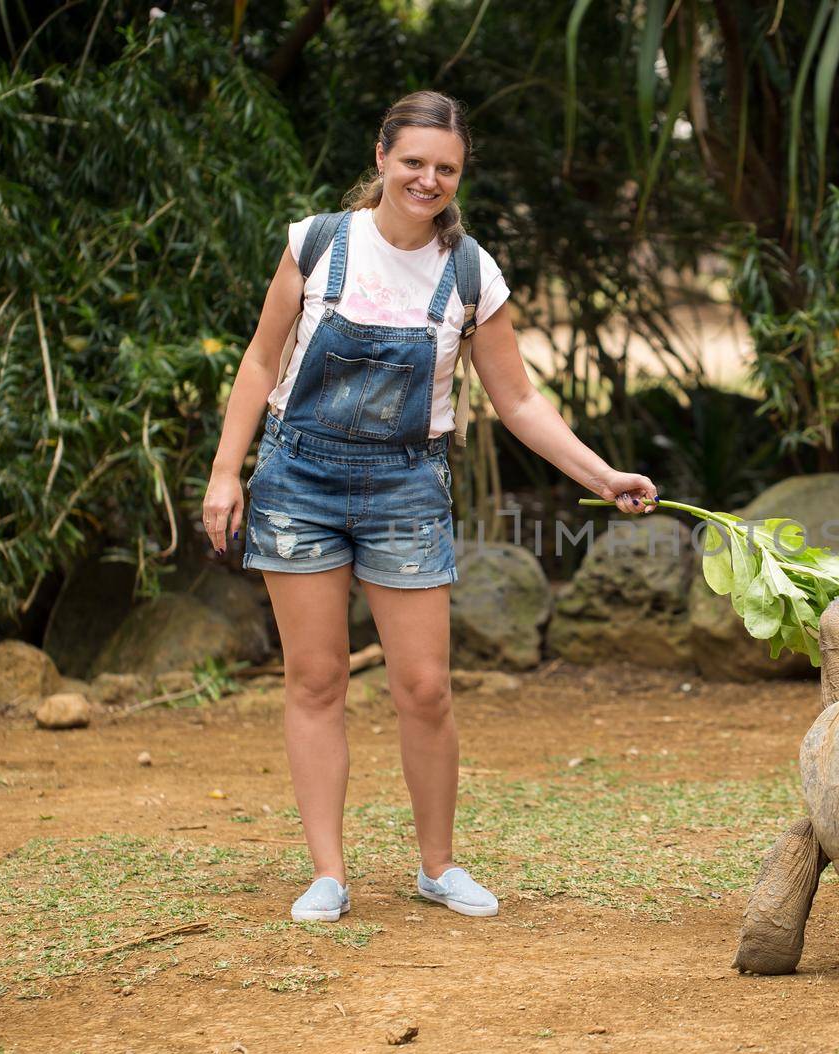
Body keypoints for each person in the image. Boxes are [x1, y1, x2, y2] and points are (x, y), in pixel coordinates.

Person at [200, 91, 657, 922]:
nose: (428, 179)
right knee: (315, 678)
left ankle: (437, 866)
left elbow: (517, 401)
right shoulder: (318, 243)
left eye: (445, 168)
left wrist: (600, 475)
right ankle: (329, 874)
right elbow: (260, 364)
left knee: (425, 687)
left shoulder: (472, 273)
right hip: (297, 476)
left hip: (407, 485)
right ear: (380, 157)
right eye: (413, 161)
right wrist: (226, 472)